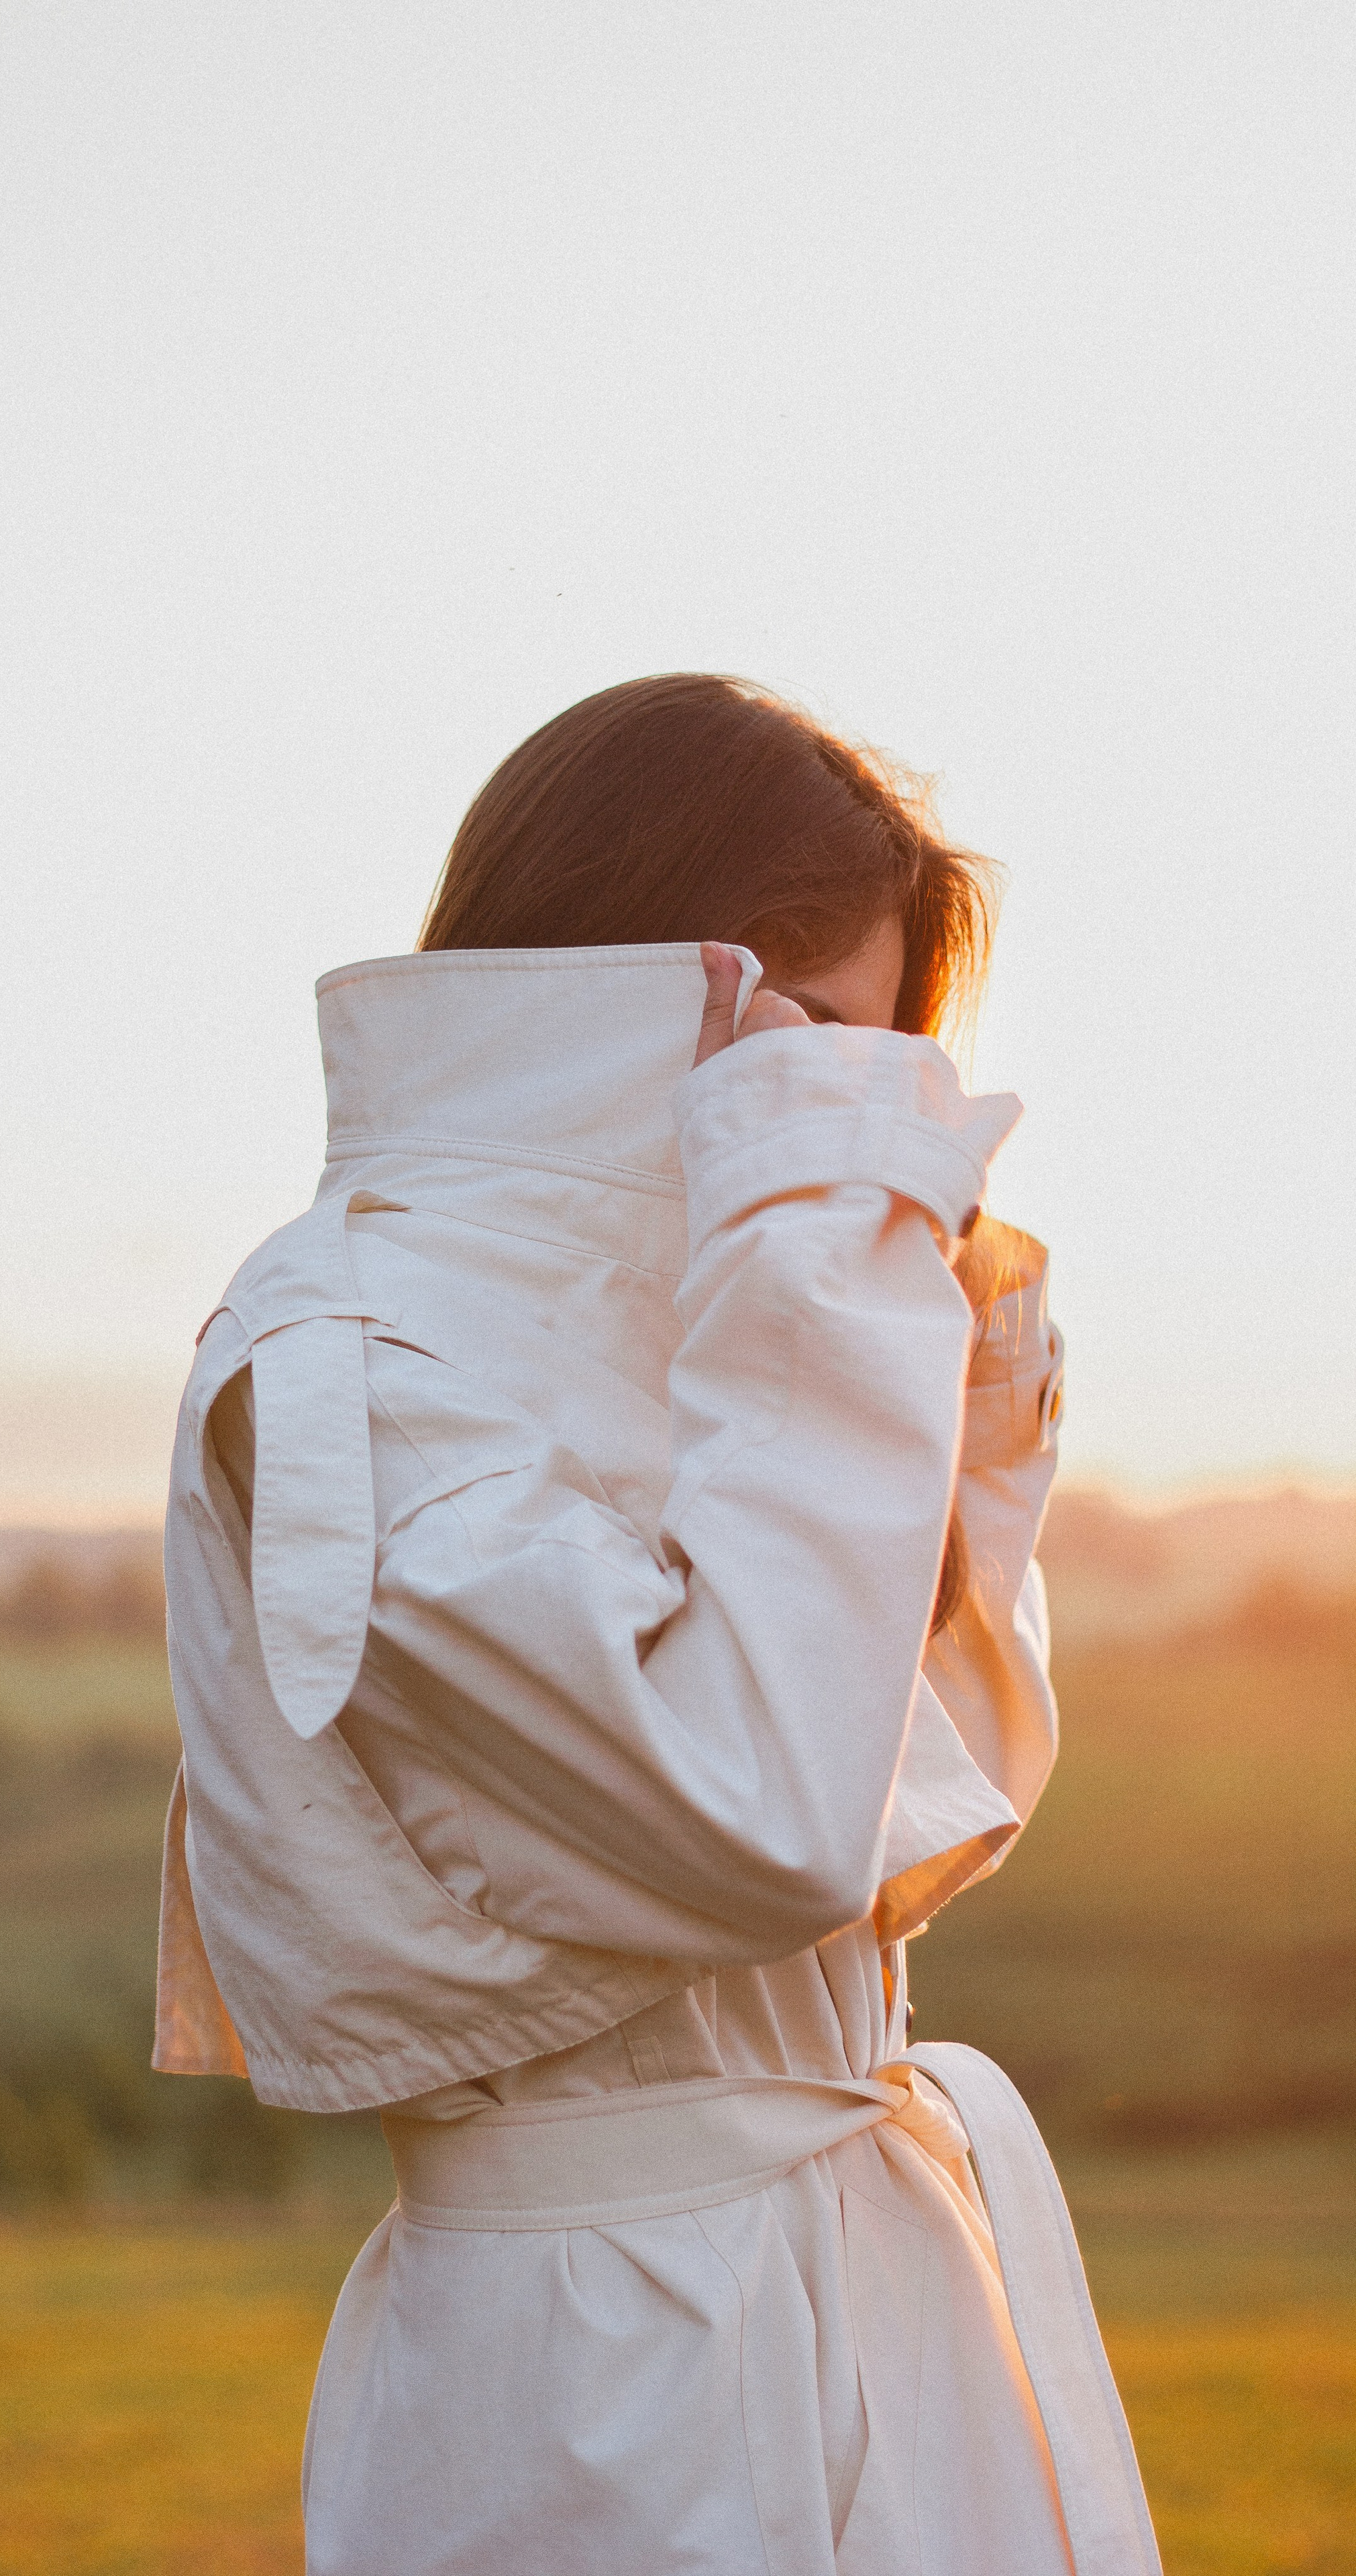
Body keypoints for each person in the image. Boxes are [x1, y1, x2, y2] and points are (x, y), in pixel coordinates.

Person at [153, 674, 1159, 2575]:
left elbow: (926, 1792)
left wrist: (924, 1365)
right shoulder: (350, 1362)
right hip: (610, 2372)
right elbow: (765, 1810)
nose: (864, 1131)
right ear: (707, 1008)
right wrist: (814, 1229)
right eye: (839, 1057)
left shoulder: (659, 1323)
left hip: (869, 2287)